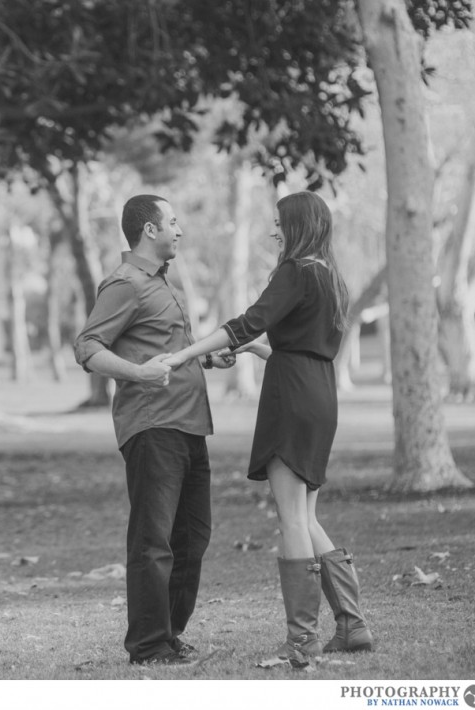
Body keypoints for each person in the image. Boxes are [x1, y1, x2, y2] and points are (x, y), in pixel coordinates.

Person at [162, 191, 374, 668]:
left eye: (279, 223)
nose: (274, 231)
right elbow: (303, 341)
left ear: (297, 225)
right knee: (307, 515)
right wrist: (263, 353)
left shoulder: (295, 270)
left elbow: (247, 322)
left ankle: (303, 640)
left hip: (292, 397)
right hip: (319, 392)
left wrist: (183, 354)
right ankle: (352, 624)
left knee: (291, 519)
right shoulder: (330, 275)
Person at [73, 194, 234, 666]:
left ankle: (167, 634)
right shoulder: (125, 283)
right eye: (173, 222)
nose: (180, 230)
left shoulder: (162, 285)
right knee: (154, 540)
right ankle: (147, 646)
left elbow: (166, 345)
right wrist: (136, 373)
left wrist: (207, 357)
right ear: (149, 229)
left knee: (192, 538)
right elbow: (86, 346)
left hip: (189, 424)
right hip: (152, 425)